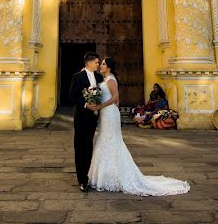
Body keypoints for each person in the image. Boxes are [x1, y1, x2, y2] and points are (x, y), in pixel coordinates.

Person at [87, 58, 189, 196]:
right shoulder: (105, 80)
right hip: (106, 114)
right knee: (104, 139)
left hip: (110, 113)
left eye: (103, 64)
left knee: (111, 140)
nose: (101, 66)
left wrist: (100, 106)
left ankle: (113, 176)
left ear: (109, 67)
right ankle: (104, 175)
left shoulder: (111, 79)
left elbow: (116, 97)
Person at [69, 52, 103, 192]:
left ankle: (88, 174)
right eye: (96, 62)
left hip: (93, 117)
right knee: (80, 146)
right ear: (89, 63)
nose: (98, 65)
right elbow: (72, 96)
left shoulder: (99, 77)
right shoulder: (77, 77)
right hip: (81, 116)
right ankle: (81, 179)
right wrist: (85, 104)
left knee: (89, 145)